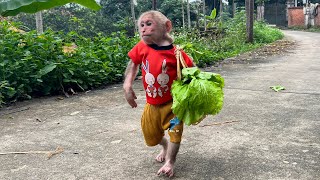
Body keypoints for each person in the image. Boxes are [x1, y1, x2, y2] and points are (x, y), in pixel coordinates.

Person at [123, 10, 194, 177]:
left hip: (173, 106)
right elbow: (133, 65)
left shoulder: (177, 53)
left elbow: (192, 72)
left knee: (175, 134)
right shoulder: (142, 47)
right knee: (151, 137)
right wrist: (127, 86)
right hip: (152, 105)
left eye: (149, 24)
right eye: (141, 25)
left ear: (166, 26)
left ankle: (170, 162)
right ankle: (164, 145)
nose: (144, 29)